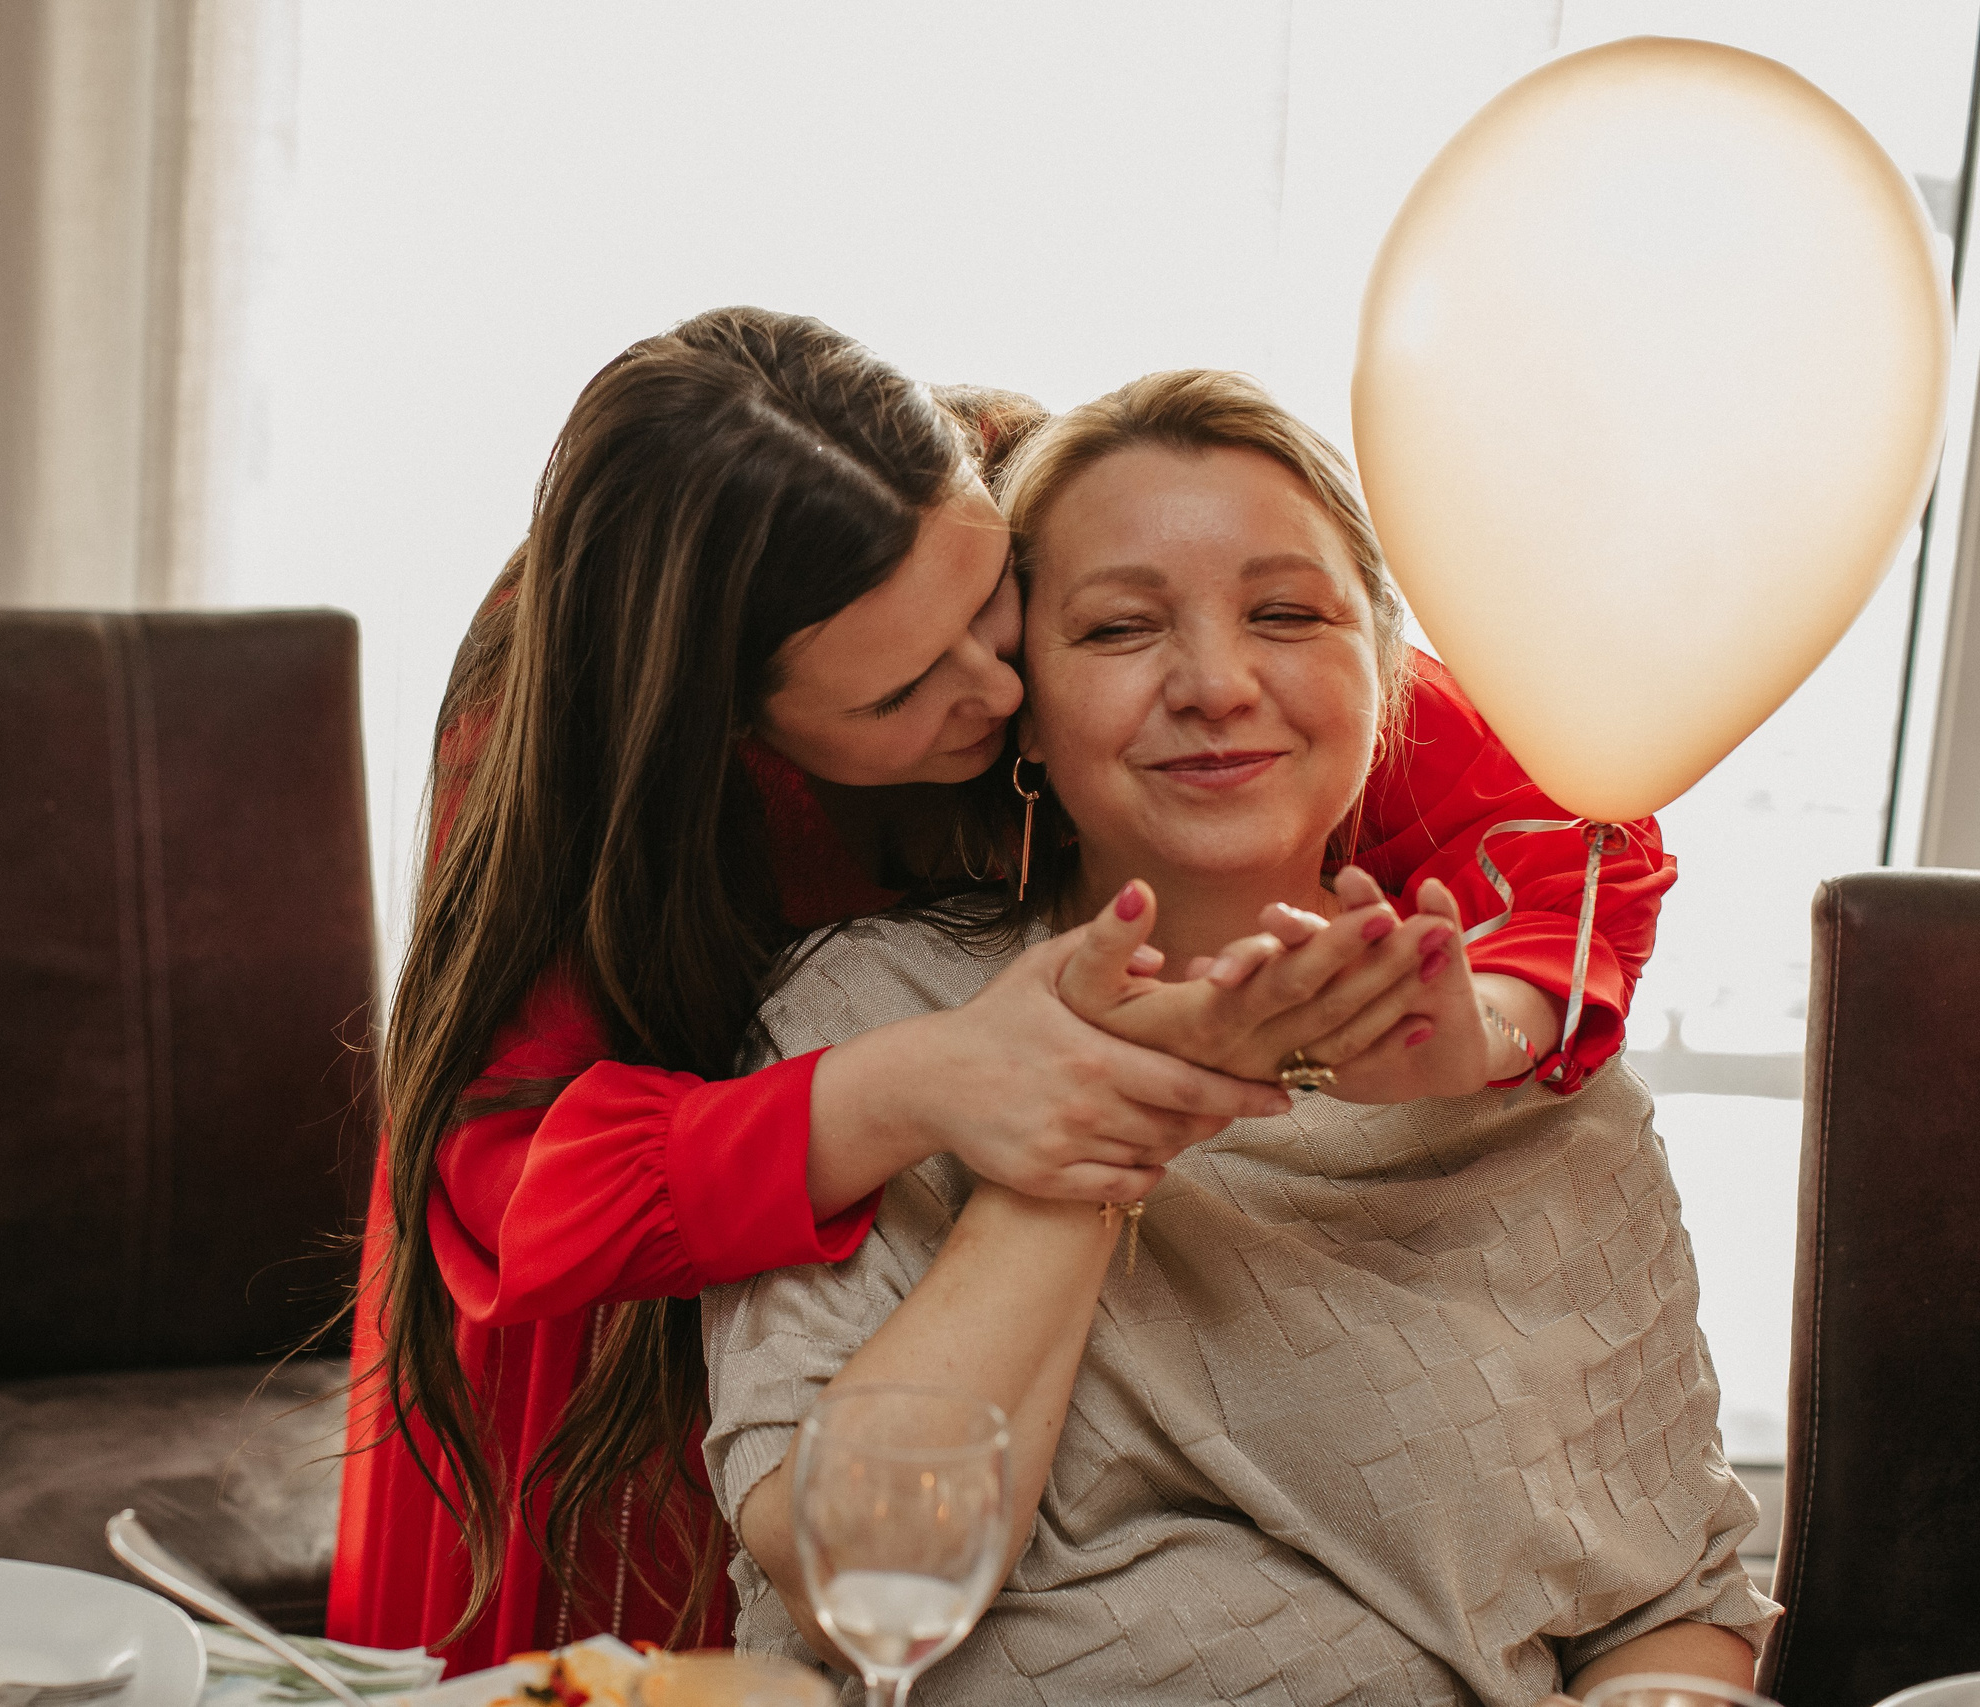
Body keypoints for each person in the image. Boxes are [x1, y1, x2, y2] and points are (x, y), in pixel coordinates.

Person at [329, 309, 1675, 1673]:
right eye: (904, 690)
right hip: (649, 1311)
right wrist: (920, 1080)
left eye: (991, 612)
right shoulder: (574, 707)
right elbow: (509, 1179)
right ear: (729, 722)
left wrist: (1484, 1030)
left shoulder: (1103, 544)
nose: (991, 689)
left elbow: (1559, 828)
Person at [702, 371, 1767, 1703]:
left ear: (1381, 671)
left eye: (1285, 614)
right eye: (1120, 629)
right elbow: (850, 1565)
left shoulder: (1544, 1093)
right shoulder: (859, 1023)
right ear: (1018, 701)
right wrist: (1123, 1094)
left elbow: (1671, 1610)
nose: (1215, 683)